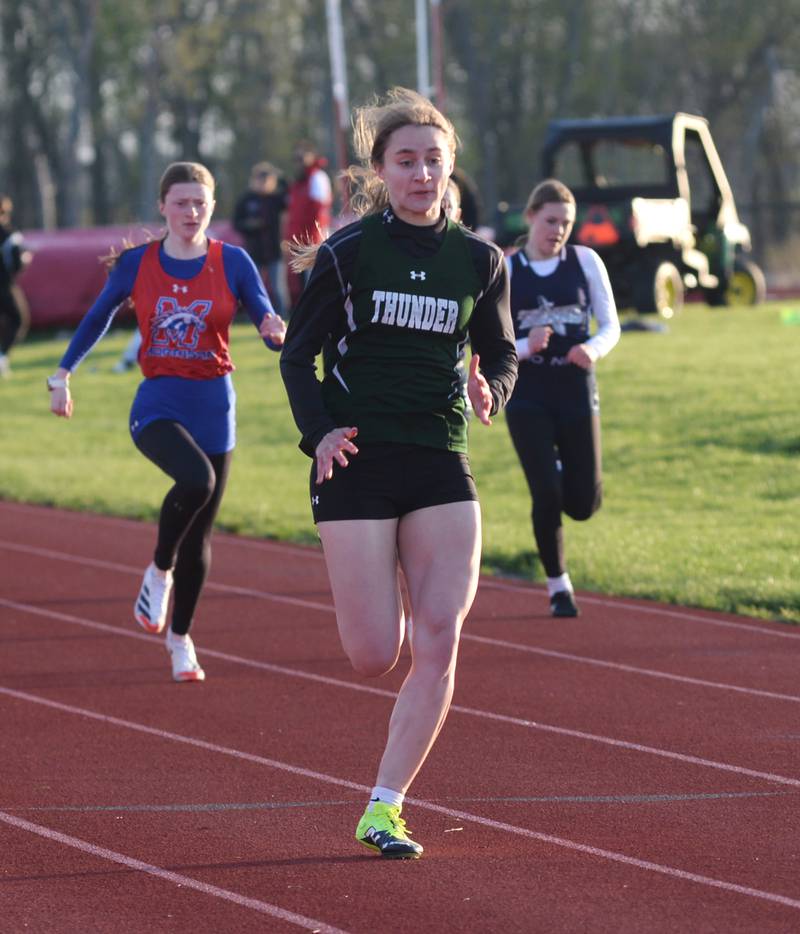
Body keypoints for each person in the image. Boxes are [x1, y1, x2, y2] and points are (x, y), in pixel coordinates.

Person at [280, 87, 517, 859]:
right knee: (373, 654)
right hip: (356, 458)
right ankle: (380, 587)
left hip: (441, 460)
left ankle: (384, 806)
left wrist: (494, 385)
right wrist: (318, 435)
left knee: (442, 640)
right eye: (406, 161)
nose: (422, 174)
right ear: (380, 170)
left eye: (434, 161)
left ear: (452, 170)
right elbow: (297, 356)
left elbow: (502, 350)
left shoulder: (481, 261)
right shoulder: (350, 253)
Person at [48, 161, 286, 681]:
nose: (190, 212)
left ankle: (180, 640)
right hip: (158, 403)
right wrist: (63, 374)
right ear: (162, 207)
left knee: (201, 536)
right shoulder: (139, 263)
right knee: (195, 480)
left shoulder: (234, 261)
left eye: (200, 203)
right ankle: (159, 570)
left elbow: (264, 311)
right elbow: (98, 317)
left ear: (213, 208)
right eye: (180, 202)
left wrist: (272, 328)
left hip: (214, 403)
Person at [504, 179, 620, 618]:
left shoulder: (585, 261)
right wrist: (524, 346)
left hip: (574, 388)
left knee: (583, 504)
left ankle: (561, 469)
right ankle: (558, 587)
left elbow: (611, 324)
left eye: (566, 224)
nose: (558, 231)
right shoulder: (509, 270)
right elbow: (489, 343)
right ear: (531, 217)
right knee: (546, 493)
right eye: (551, 221)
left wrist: (591, 348)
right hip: (528, 393)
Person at [233, 161, 288, 317]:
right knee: (253, 288)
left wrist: (278, 175)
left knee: (278, 288)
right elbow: (237, 223)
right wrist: (250, 226)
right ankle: (253, 317)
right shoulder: (246, 199)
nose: (264, 183)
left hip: (274, 250)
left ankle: (284, 317)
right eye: (260, 179)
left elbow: (288, 190)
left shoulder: (276, 199)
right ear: (254, 180)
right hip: (254, 251)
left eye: (267, 179)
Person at [283, 141, 333, 311]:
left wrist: (313, 241)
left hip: (312, 241)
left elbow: (320, 213)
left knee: (315, 284)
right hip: (299, 241)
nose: (299, 161)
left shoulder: (317, 177)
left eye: (302, 157)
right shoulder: (297, 183)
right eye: (296, 158)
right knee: (303, 285)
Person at [0, 195, 32, 377]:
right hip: (4, 286)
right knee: (18, 319)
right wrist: (25, 259)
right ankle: (2, 356)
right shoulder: (9, 235)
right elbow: (15, 263)